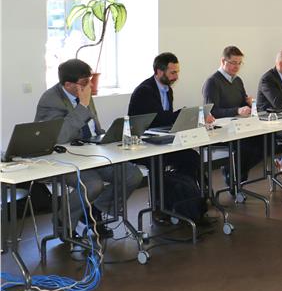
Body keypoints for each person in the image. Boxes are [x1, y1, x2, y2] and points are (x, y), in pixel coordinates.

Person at [35, 59, 143, 240]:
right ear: (68, 85)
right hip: (65, 159)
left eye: (90, 80)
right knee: (93, 185)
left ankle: (94, 211)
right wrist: (83, 106)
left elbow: (93, 127)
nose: (91, 85)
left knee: (132, 175)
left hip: (92, 152)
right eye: (85, 82)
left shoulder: (83, 92)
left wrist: (106, 138)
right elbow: (59, 137)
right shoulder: (50, 100)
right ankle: (63, 221)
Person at [129, 53, 209, 223]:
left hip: (161, 140)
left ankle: (182, 199)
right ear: (159, 71)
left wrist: (184, 118)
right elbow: (158, 119)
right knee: (158, 162)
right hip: (142, 145)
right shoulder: (145, 91)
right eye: (172, 72)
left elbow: (166, 121)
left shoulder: (167, 89)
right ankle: (159, 207)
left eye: (177, 72)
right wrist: (182, 114)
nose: (176, 77)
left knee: (191, 157)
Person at [202, 46, 262, 184]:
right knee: (247, 147)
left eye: (239, 63)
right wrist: (237, 110)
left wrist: (249, 104)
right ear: (223, 61)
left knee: (264, 142)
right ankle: (234, 177)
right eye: (233, 62)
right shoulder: (212, 82)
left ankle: (236, 174)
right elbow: (212, 112)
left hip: (239, 126)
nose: (237, 66)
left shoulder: (237, 80)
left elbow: (242, 103)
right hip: (222, 129)